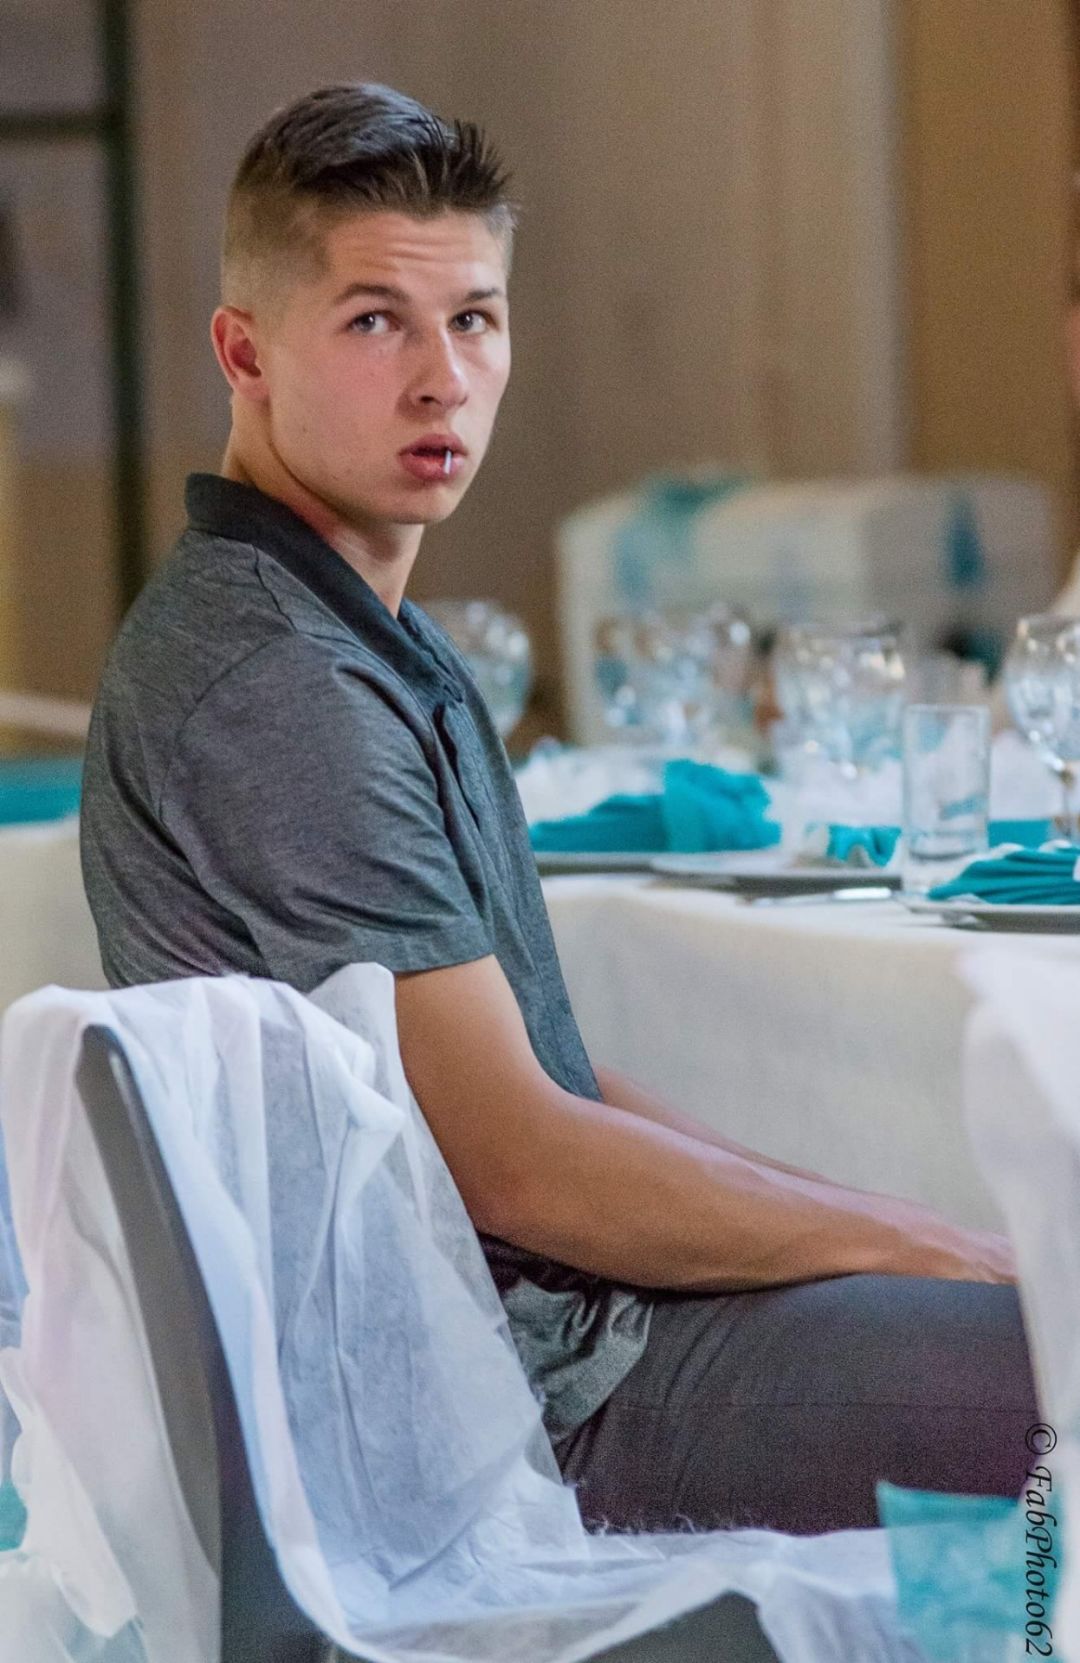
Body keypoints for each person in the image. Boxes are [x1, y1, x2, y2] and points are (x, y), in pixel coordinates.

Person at [80, 82, 1037, 1535]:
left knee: (1005, 1296)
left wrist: (899, 1238)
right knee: (1055, 1370)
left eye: (473, 318)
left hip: (568, 1338)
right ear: (245, 352)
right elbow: (522, 1163)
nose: (442, 380)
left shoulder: (353, 631)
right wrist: (918, 1248)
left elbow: (556, 1092)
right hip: (519, 1411)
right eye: (375, 321)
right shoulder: (278, 683)